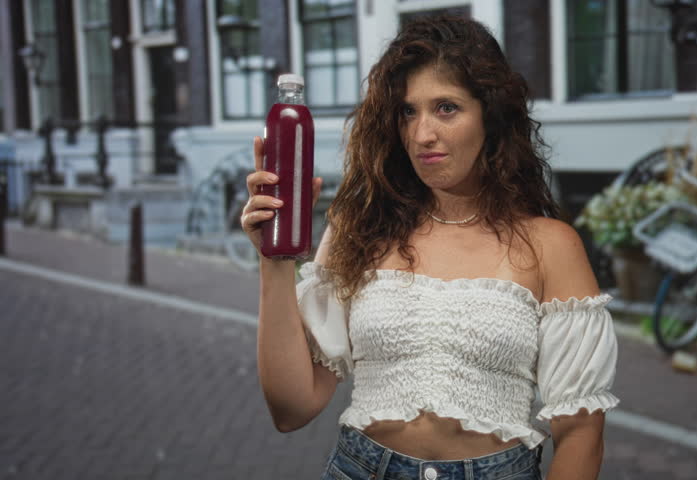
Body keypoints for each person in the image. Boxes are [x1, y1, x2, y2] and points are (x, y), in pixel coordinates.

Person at [241, 15, 618, 480]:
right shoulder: (360, 228)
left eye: (446, 108)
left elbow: (582, 434)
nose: (422, 135)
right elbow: (292, 409)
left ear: (491, 116)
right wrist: (273, 262)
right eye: (408, 112)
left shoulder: (549, 245)